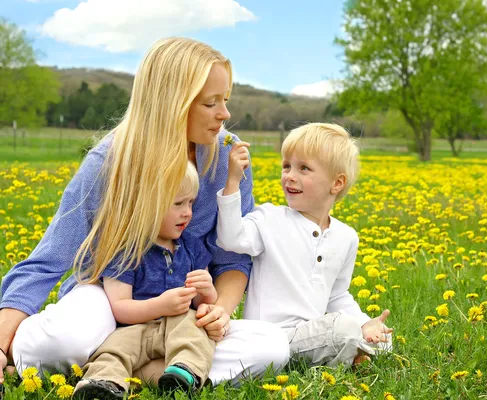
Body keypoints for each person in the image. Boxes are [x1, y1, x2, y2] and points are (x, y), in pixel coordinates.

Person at [0, 37, 289, 387]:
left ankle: (115, 367)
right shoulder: (110, 160)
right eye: (211, 102)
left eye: (225, 101)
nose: (225, 114)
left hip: (183, 313)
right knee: (66, 340)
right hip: (110, 300)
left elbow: (234, 258)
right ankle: (135, 364)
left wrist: (220, 312)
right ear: (171, 103)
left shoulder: (227, 157)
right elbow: (49, 259)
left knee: (271, 348)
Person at [216, 122, 393, 367]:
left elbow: (337, 295)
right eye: (286, 166)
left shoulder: (346, 237)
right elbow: (230, 238)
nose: (289, 175)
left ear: (337, 183)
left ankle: (351, 347)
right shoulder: (269, 218)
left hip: (313, 334)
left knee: (383, 340)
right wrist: (232, 183)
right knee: (342, 330)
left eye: (304, 168)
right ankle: (349, 353)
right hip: (265, 338)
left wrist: (365, 323)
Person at [73, 161, 215, 399]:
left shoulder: (191, 246)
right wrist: (159, 306)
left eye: (191, 202)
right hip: (134, 328)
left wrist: (208, 291)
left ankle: (184, 372)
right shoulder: (127, 250)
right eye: (178, 203)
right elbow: (119, 307)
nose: (187, 212)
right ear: (147, 207)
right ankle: (103, 383)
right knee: (113, 350)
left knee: (195, 331)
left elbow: (203, 303)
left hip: (178, 326)